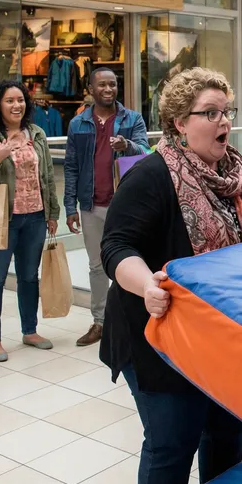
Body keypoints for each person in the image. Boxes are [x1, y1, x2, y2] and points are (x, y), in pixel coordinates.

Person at [99, 67, 242, 484]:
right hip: (158, 337)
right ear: (179, 123)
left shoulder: (236, 172)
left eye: (225, 112)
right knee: (174, 441)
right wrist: (146, 282)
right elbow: (116, 246)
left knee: (227, 434)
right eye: (209, 113)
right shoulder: (152, 176)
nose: (222, 121)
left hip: (223, 335)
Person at [0, 81, 59, 362]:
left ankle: (29, 331)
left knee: (29, 277)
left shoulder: (36, 133)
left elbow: (46, 176)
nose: (16, 105)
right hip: (0, 218)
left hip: (34, 217)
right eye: (10, 101)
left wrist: (52, 213)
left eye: (20, 100)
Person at [64, 68, 148, 347]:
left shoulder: (132, 118)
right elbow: (72, 168)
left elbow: (146, 152)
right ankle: (100, 322)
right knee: (97, 266)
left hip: (126, 206)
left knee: (132, 262)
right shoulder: (78, 124)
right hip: (91, 206)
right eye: (102, 84)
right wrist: (70, 206)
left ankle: (131, 319)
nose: (109, 89)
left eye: (113, 84)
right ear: (91, 88)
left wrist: (127, 145)